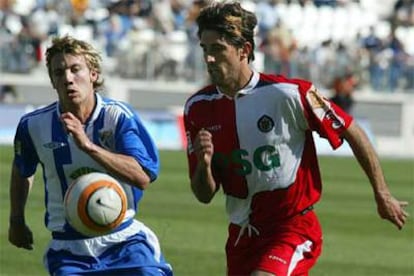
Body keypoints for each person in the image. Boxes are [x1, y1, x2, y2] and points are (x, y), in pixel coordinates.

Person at [182, 2, 409, 276]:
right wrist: (205, 165)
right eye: (205, 49)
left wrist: (382, 193)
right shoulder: (198, 108)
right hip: (242, 236)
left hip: (292, 229)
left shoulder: (289, 94)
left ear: (244, 50)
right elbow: (203, 195)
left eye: (218, 49)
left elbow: (351, 129)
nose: (208, 59)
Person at [8, 35, 173, 276]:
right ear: (53, 81)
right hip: (69, 248)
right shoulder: (33, 125)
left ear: (93, 74)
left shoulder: (117, 117)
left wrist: (88, 146)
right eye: (59, 72)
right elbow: (23, 169)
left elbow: (142, 176)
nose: (68, 79)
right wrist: (16, 220)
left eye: (76, 70)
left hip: (124, 241)